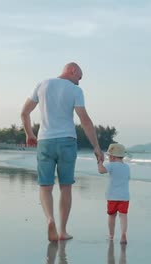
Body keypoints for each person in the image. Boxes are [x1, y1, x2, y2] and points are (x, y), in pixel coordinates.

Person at [22, 62, 104, 242]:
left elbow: (24, 113)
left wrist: (29, 134)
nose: (79, 82)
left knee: (45, 186)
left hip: (45, 141)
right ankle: (62, 231)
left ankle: (49, 218)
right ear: (72, 70)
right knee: (65, 187)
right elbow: (85, 121)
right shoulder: (75, 91)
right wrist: (96, 146)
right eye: (79, 77)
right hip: (67, 141)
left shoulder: (42, 84)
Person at [97, 143, 130, 244]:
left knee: (112, 216)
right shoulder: (127, 167)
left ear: (113, 157)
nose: (108, 158)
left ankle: (111, 235)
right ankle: (123, 234)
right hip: (124, 196)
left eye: (109, 156)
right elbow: (128, 178)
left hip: (112, 196)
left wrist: (99, 162)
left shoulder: (111, 165)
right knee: (123, 216)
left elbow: (101, 171)